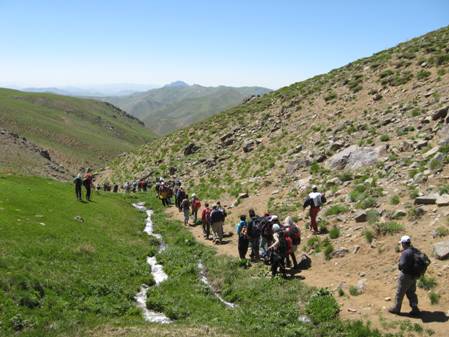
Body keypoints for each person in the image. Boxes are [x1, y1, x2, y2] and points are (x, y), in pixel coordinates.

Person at [388, 235, 424, 316]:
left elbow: (402, 264)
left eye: (401, 243)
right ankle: (415, 308)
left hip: (405, 275)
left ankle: (396, 308)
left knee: (399, 292)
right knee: (411, 292)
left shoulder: (405, 252)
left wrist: (399, 265)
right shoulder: (415, 250)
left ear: (404, 243)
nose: (401, 245)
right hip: (414, 276)